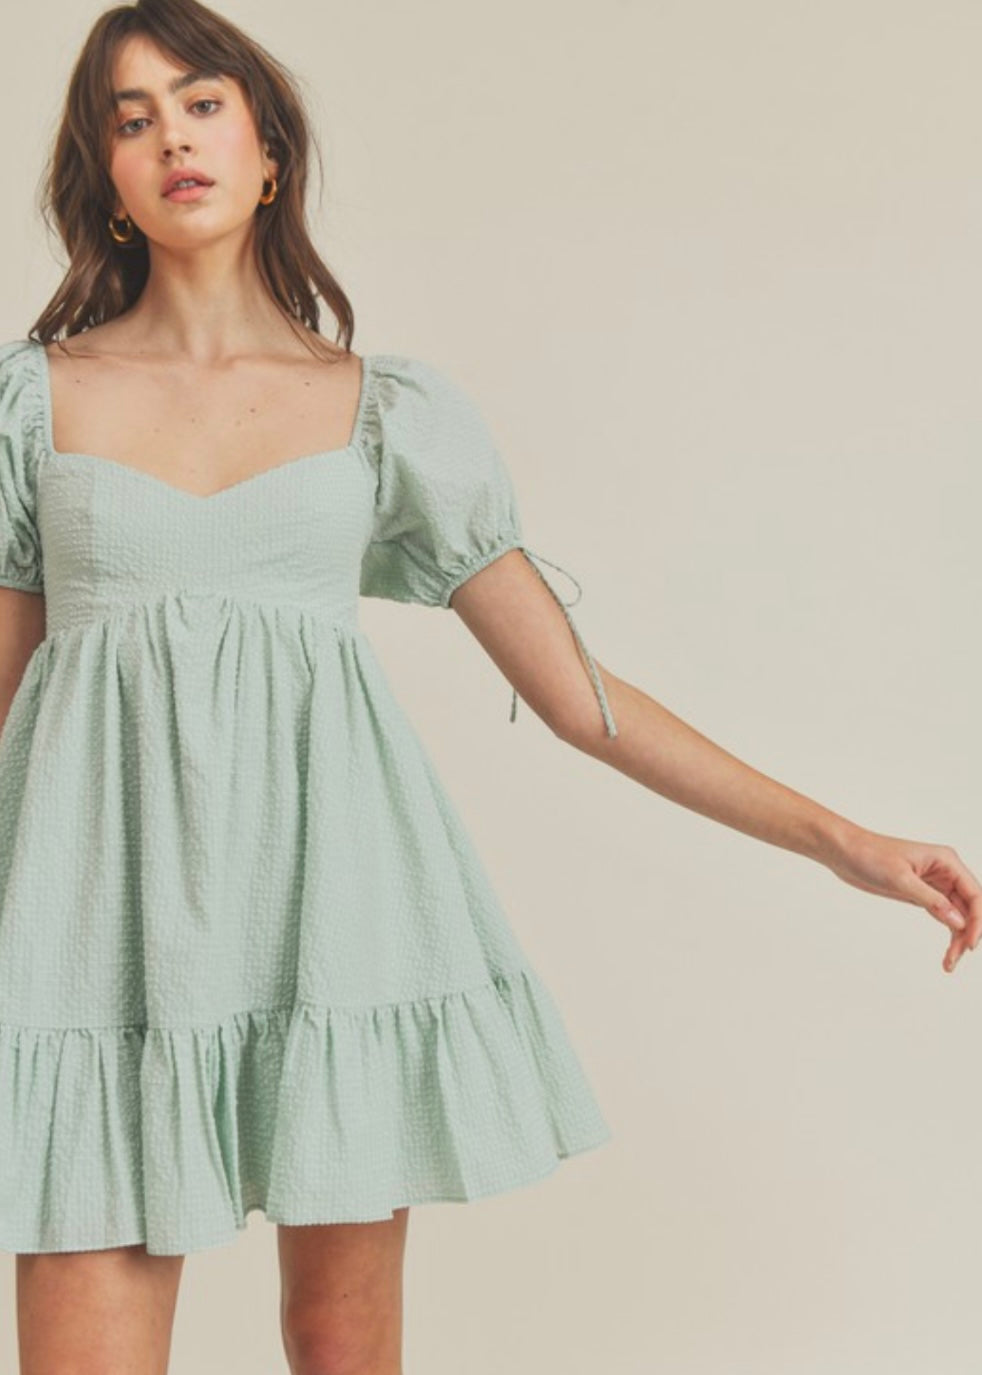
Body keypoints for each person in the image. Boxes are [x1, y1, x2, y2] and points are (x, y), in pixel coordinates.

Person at [1, 2, 978, 1373]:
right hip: (95, 941)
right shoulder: (33, 404)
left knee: (342, 1344)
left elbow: (580, 699)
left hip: (337, 922)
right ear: (104, 181)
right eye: (131, 117)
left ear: (268, 152)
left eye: (202, 102)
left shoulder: (386, 411)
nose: (172, 136)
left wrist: (843, 841)